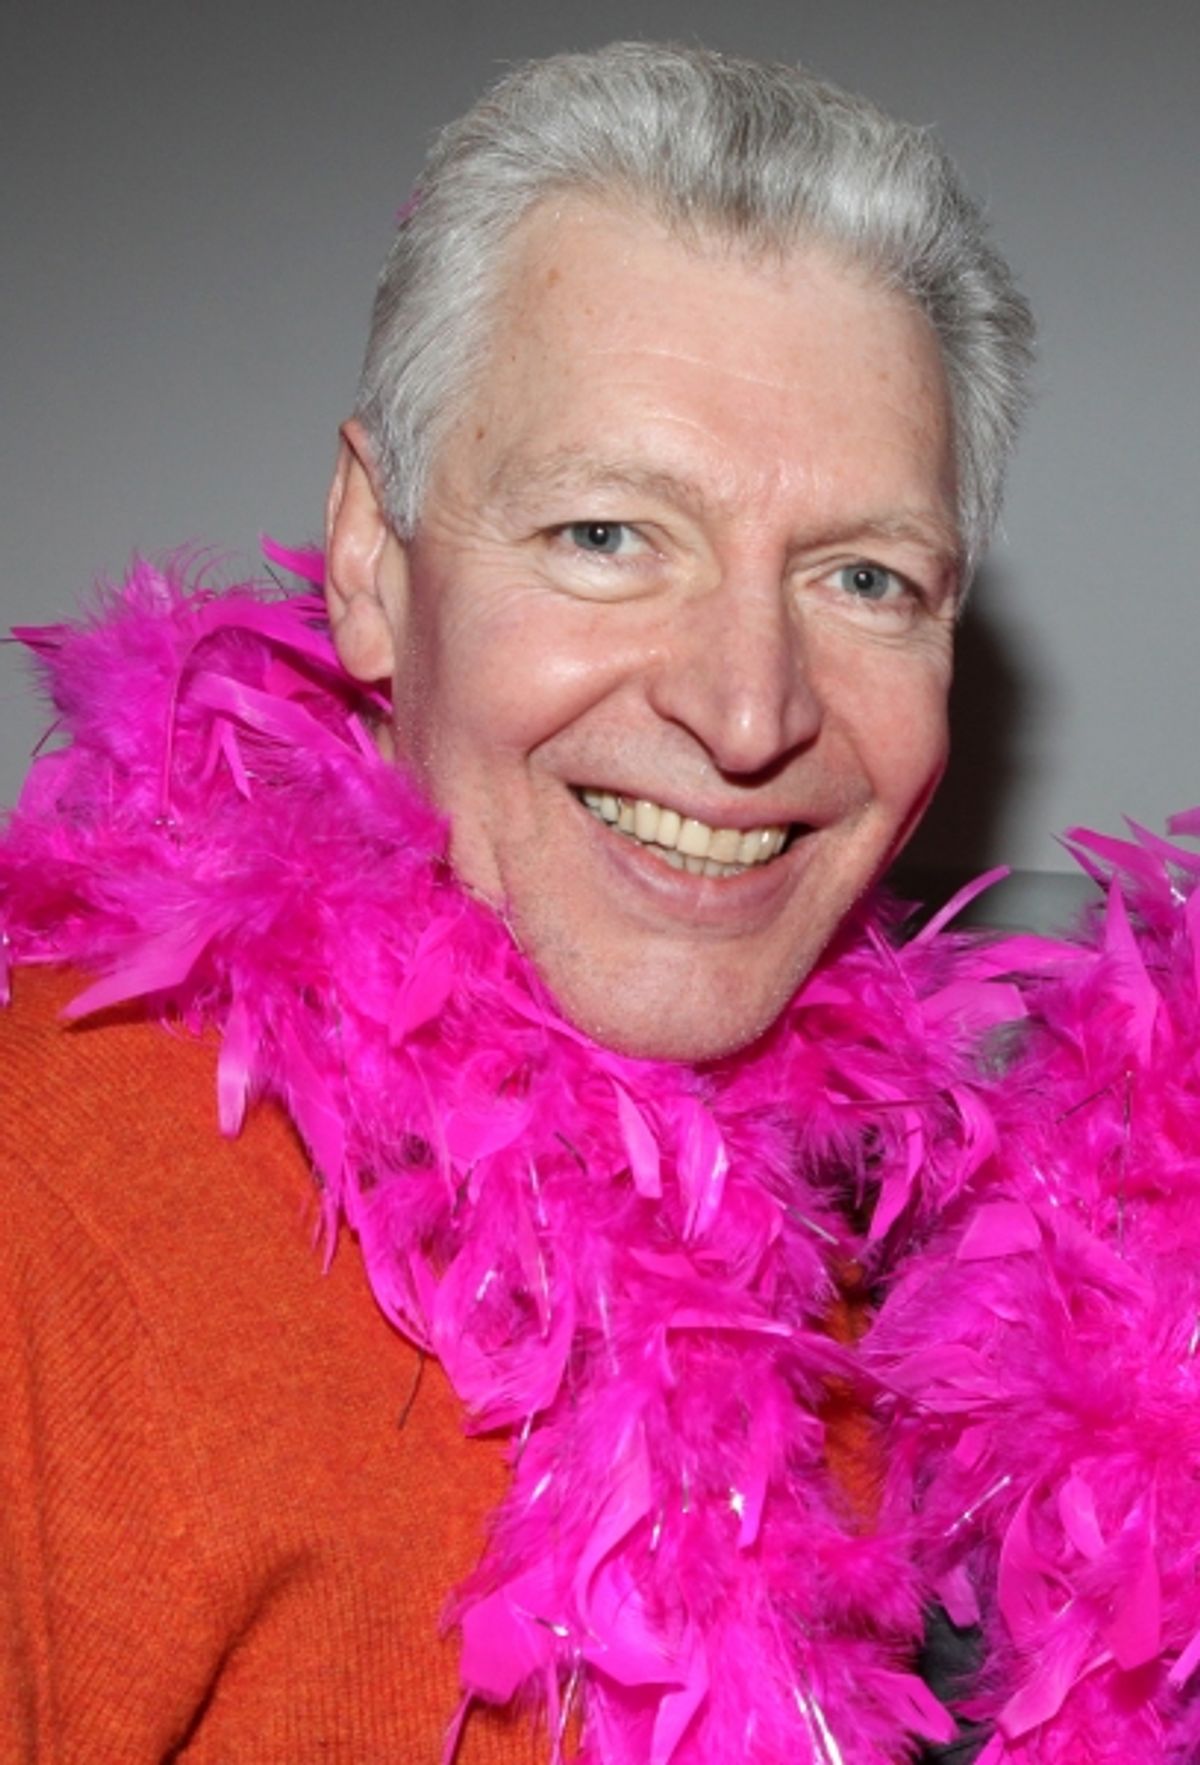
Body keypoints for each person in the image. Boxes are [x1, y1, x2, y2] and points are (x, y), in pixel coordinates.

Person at [3, 38, 1199, 1765]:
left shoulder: (922, 1287)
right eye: (607, 534)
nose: (746, 707)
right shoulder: (54, 1227)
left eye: (863, 576)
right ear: (370, 563)